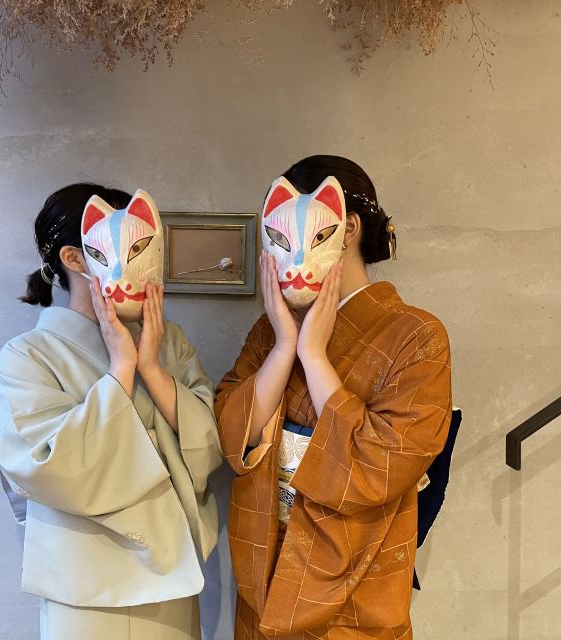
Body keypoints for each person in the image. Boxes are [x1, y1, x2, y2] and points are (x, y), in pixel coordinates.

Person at [215, 155, 452, 639]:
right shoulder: (270, 330)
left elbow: (381, 465)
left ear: (348, 228)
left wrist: (314, 357)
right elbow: (233, 435)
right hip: (265, 571)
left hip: (356, 586)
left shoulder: (417, 335)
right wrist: (284, 346)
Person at [0, 183, 222, 640]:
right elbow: (45, 466)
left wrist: (151, 368)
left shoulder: (168, 342)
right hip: (84, 583)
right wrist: (120, 371)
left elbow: (210, 448)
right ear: (75, 259)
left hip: (170, 575)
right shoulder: (27, 356)